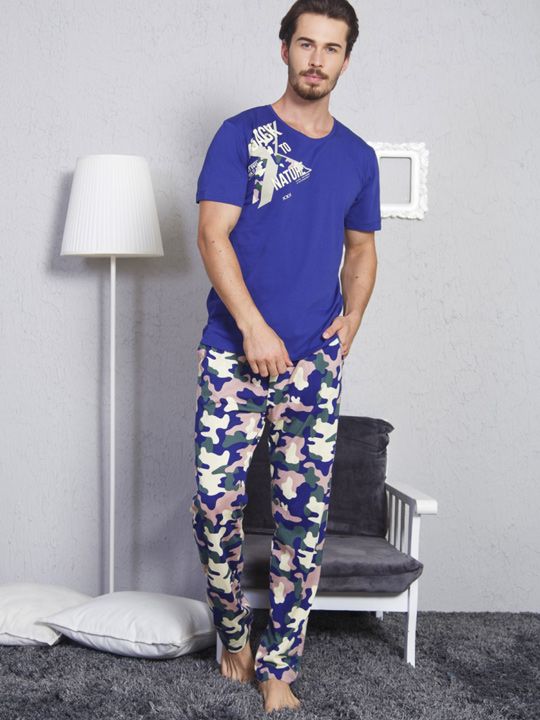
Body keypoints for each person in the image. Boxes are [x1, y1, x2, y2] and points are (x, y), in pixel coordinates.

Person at [190, 0, 381, 713]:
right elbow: (213, 235)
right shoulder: (240, 134)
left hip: (312, 366)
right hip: (233, 355)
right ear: (284, 49)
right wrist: (253, 328)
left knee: (304, 522)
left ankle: (278, 668)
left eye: (331, 49)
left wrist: (352, 319)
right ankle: (233, 632)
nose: (316, 60)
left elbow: (361, 250)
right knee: (214, 504)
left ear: (345, 60)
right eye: (306, 44)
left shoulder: (357, 157)